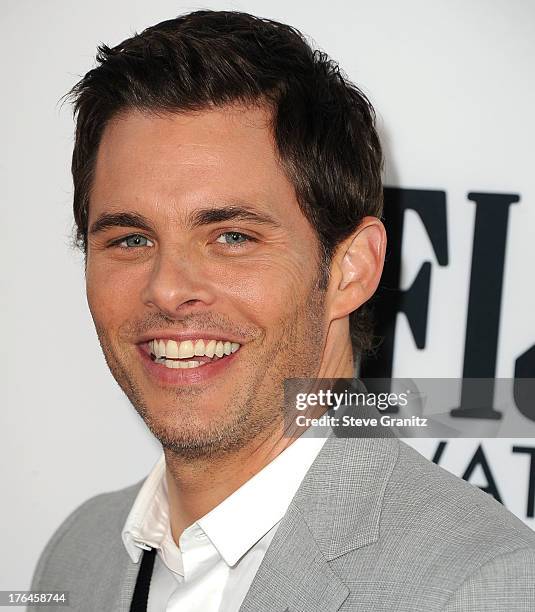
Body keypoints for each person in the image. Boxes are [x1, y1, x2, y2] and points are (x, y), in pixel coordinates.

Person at [30, 9, 535, 612]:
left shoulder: (479, 586)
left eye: (233, 237)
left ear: (352, 268)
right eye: (130, 239)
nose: (167, 289)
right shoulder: (77, 552)